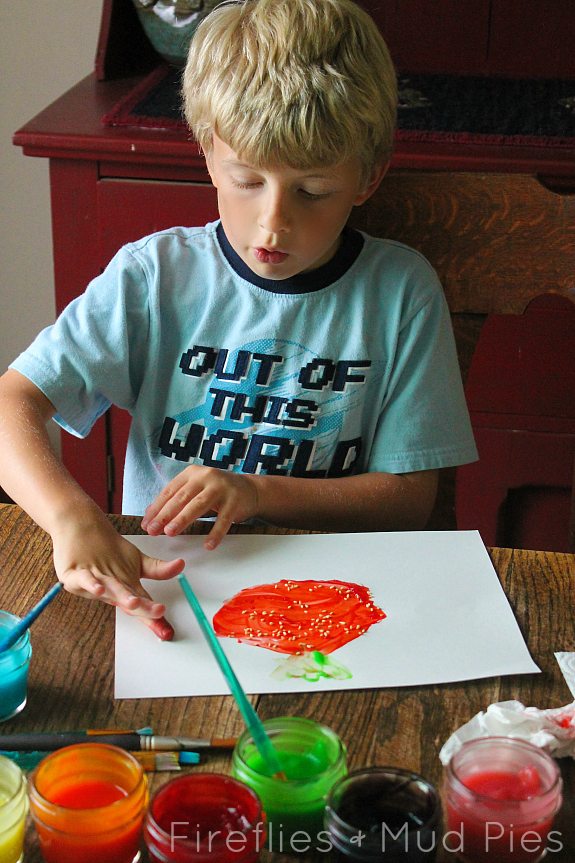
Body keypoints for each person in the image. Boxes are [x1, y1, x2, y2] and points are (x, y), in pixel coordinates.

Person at [0, 0, 477, 637]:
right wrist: (71, 518)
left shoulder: (400, 292)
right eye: (247, 179)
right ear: (207, 154)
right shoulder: (156, 275)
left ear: (368, 177)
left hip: (341, 593)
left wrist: (255, 492)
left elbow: (410, 497)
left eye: (312, 191)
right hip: (176, 592)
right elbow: (12, 403)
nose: (273, 223)